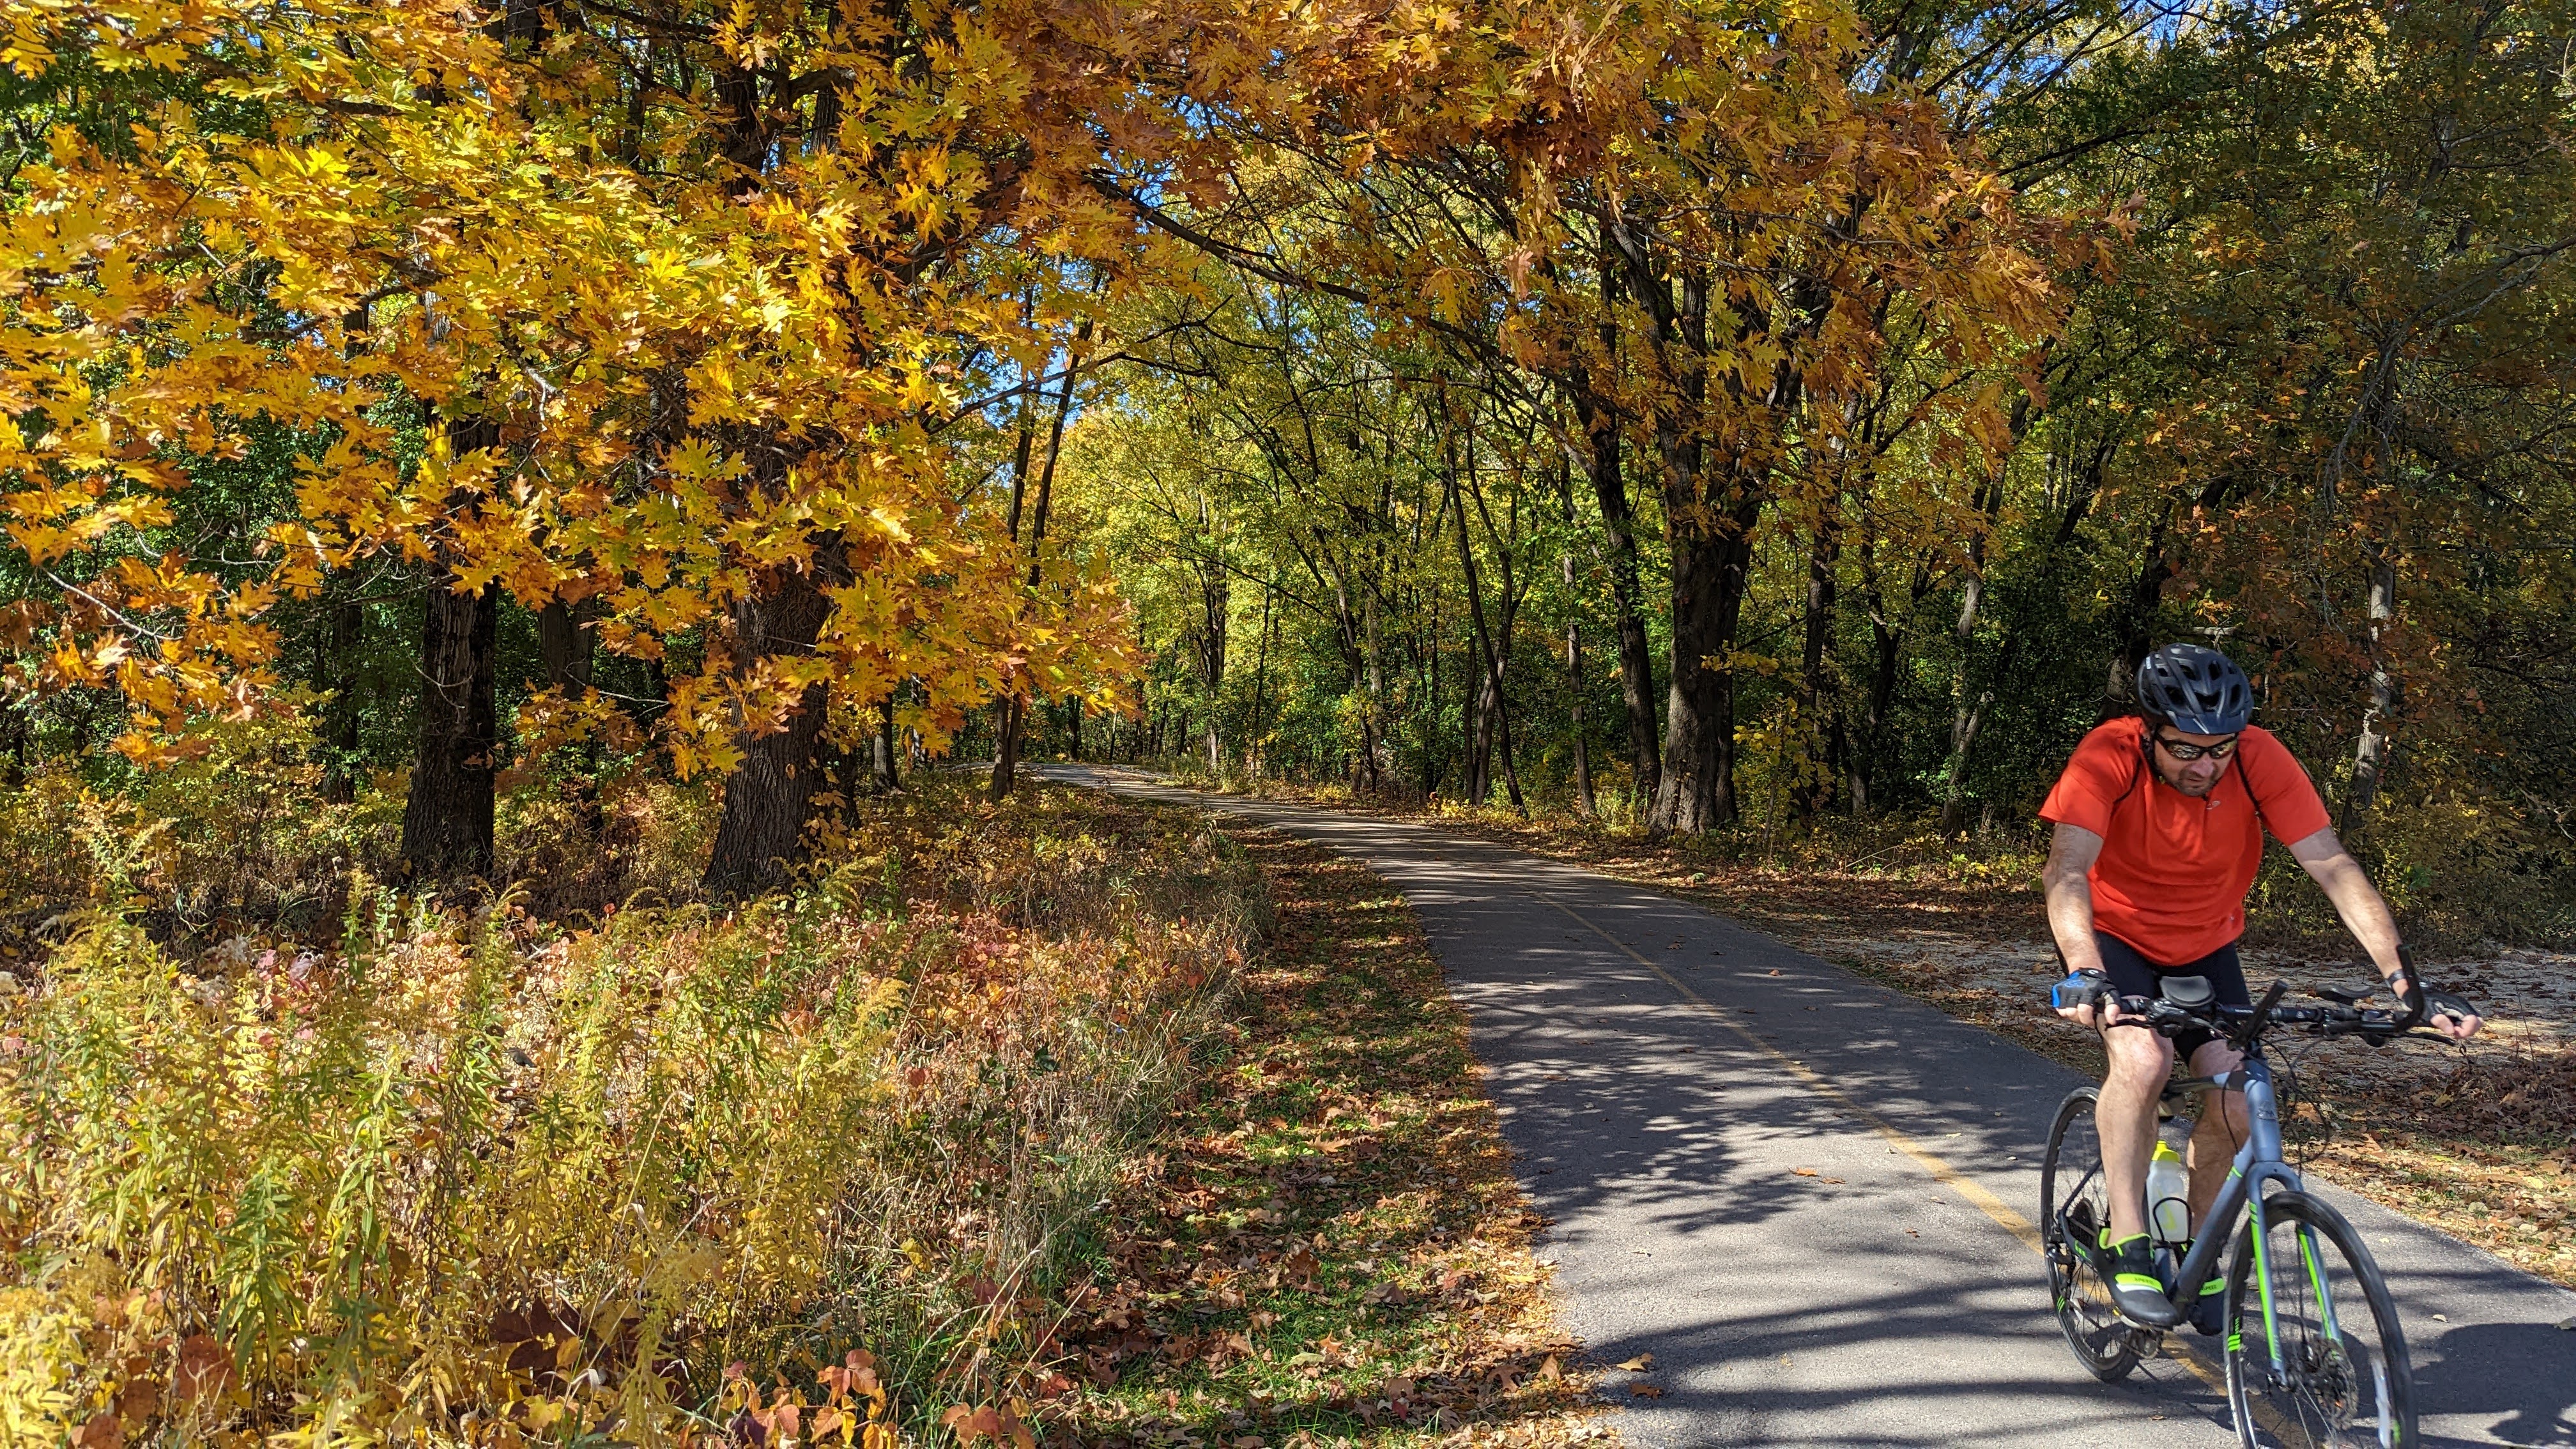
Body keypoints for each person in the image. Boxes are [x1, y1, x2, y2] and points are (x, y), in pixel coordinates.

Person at [2039, 643, 2481, 1328]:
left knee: (2240, 1098)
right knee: (2144, 1059)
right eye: (2185, 749)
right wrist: (2084, 970)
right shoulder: (2110, 754)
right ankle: (2128, 1239)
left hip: (2208, 945)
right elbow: (2067, 871)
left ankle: (2191, 1246)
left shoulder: (2258, 757)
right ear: (2150, 729)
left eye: (2218, 748)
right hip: (2117, 942)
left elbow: (2331, 863)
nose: (2205, 765)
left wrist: (2405, 984)